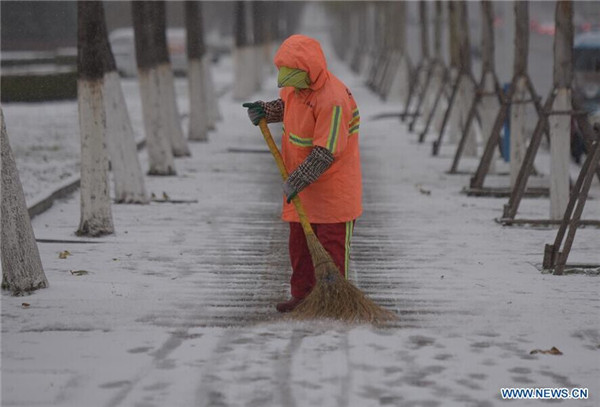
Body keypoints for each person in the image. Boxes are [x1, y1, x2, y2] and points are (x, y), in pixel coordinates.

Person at [243, 35, 362, 313]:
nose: (290, 87)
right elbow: (290, 107)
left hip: (333, 191)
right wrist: (267, 110)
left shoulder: (333, 99)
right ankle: (303, 296)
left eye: (295, 79)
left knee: (331, 250)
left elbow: (325, 153)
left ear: (310, 72)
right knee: (299, 248)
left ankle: (333, 301)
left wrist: (297, 179)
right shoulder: (296, 89)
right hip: (302, 187)